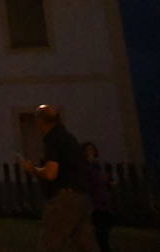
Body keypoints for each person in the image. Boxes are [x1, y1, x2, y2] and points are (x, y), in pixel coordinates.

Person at [19, 105, 98, 252]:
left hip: (64, 199)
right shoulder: (69, 137)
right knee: (85, 245)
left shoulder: (52, 138)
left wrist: (33, 170)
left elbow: (51, 173)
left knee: (49, 245)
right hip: (82, 197)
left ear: (40, 121)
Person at [83, 142, 112, 252]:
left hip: (104, 200)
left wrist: (107, 181)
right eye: (88, 150)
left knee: (105, 228)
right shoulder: (85, 167)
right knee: (100, 232)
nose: (90, 152)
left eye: (92, 149)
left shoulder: (97, 166)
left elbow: (101, 180)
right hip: (95, 203)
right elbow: (89, 183)